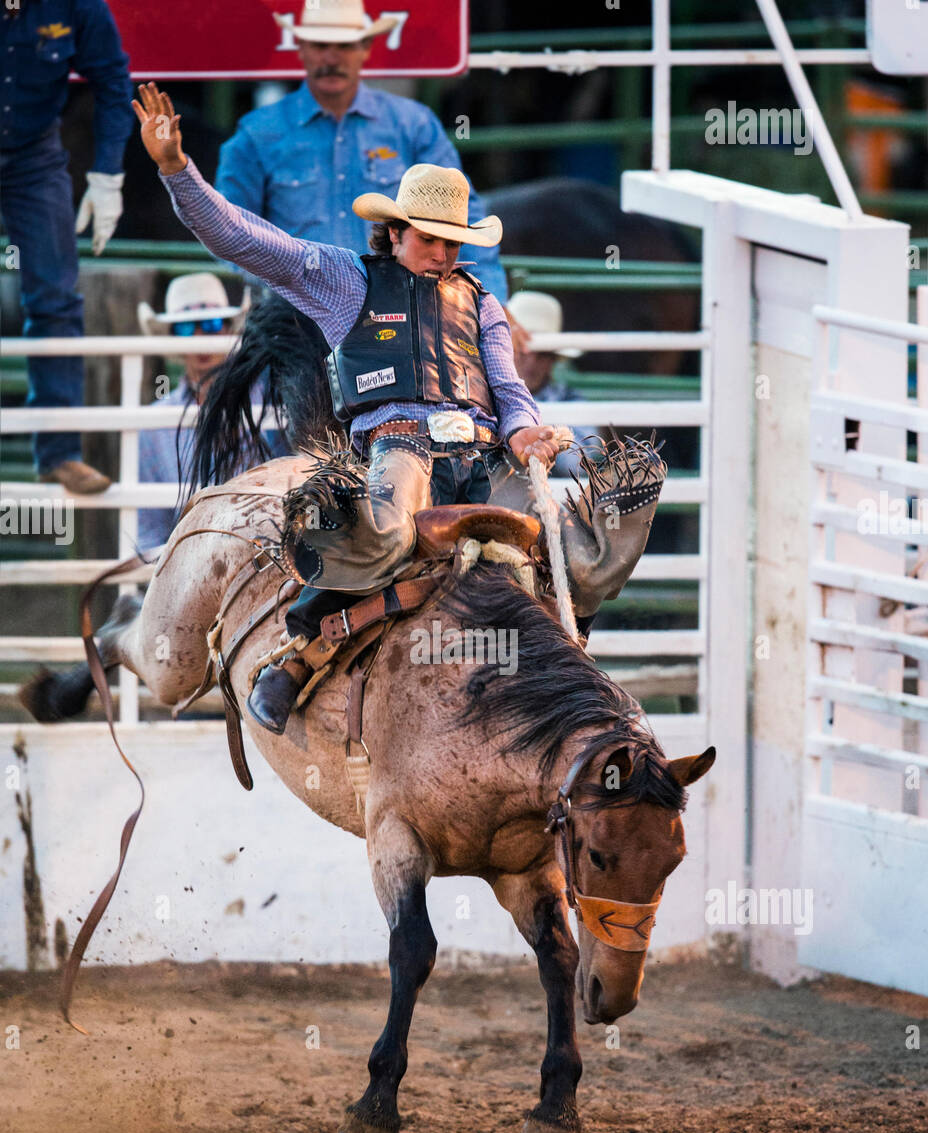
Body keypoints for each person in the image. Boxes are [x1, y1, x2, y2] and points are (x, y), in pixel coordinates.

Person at [134, 83, 663, 738]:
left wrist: (526, 432)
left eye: (452, 242)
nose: (443, 254)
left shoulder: (484, 304)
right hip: (402, 446)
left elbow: (507, 384)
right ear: (395, 231)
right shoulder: (344, 279)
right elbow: (242, 237)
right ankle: (301, 643)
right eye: (430, 240)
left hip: (483, 451)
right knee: (385, 531)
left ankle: (572, 679)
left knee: (576, 554)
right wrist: (176, 171)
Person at [214, 0, 508, 304]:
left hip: (397, 308)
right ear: (300, 47)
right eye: (320, 45)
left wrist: (489, 302)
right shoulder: (257, 134)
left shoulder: (413, 125)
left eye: (345, 46)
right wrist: (285, 280)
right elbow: (229, 229)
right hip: (297, 315)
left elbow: (462, 214)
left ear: (366, 48)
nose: (332, 58)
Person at [0, 0, 133, 493]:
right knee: (54, 299)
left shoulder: (78, 5)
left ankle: (59, 452)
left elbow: (113, 82)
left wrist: (107, 172)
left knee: (55, 296)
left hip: (34, 155)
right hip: (36, 152)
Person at [136, 272, 252, 551]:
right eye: (187, 328)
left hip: (254, 553)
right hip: (184, 560)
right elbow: (149, 529)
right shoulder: (154, 423)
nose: (200, 337)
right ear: (174, 337)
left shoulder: (263, 406)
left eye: (211, 324)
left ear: (227, 329)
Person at [507, 290, 595, 478]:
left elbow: (579, 465)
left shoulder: (571, 400)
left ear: (553, 359)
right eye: (522, 350)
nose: (531, 363)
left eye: (543, 355)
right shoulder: (485, 396)